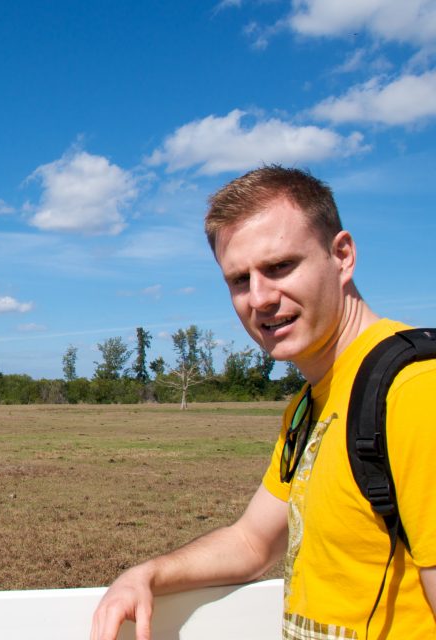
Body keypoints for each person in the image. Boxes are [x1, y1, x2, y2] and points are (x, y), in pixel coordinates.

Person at [90, 165, 436, 640]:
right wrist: (146, 574)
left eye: (279, 267)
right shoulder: (305, 406)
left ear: (342, 255)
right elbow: (252, 542)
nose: (260, 298)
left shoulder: (414, 391)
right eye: (238, 279)